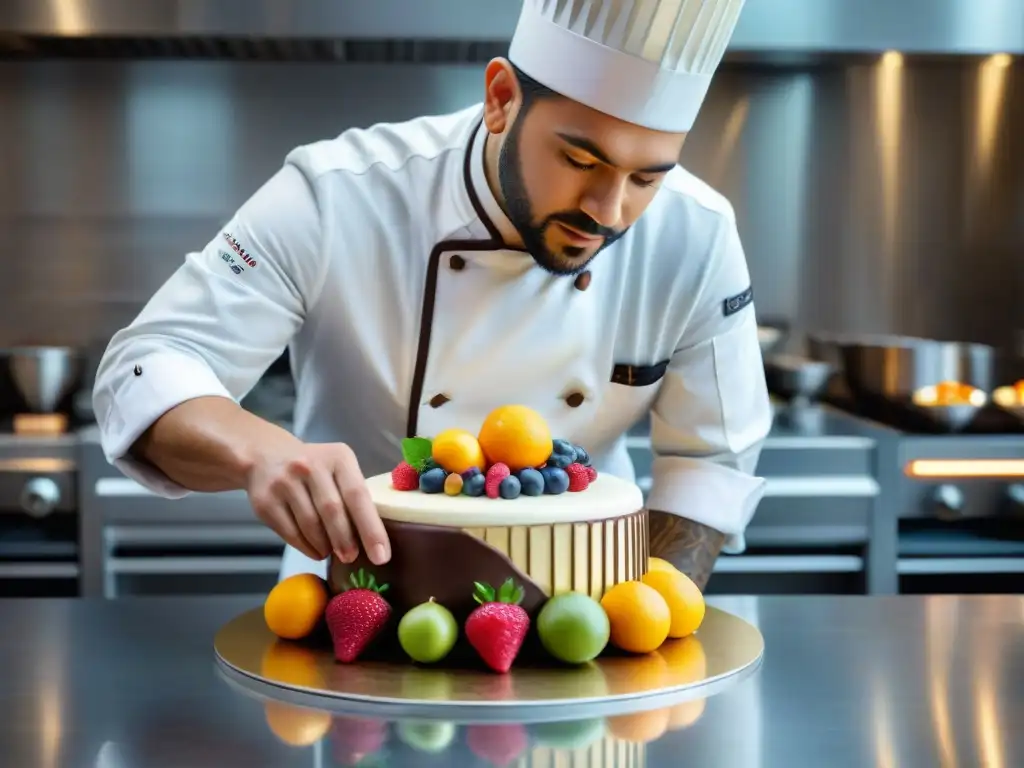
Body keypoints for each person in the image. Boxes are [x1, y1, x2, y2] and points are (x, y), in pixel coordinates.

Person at [92, 0, 771, 591]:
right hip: (350, 605)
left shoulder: (696, 233)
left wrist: (640, 620)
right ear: (501, 98)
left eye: (646, 179)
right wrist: (259, 451)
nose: (609, 210)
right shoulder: (339, 195)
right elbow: (146, 365)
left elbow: (711, 461)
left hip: (583, 617)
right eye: (579, 160)